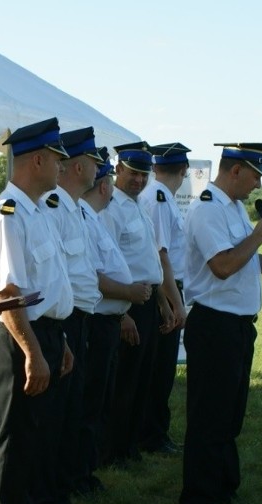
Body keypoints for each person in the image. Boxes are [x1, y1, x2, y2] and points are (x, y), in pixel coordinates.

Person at [179, 142, 262, 504]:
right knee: (209, 415)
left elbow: (244, 262)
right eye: (255, 176)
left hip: (236, 326)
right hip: (214, 325)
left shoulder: (232, 209)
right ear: (235, 171)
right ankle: (200, 498)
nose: (259, 186)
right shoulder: (206, 209)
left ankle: (222, 487)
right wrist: (258, 236)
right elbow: (221, 265)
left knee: (230, 414)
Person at [0, 117, 74, 504]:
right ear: (37, 160)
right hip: (18, 336)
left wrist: (60, 341)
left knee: (39, 430)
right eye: (56, 160)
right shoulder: (7, 215)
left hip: (45, 332)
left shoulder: (36, 211)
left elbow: (49, 286)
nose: (60, 169)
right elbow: (8, 294)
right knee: (15, 433)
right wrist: (33, 353)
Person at [34, 126, 102, 504]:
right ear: (77, 166)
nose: (99, 168)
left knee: (71, 411)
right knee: (53, 416)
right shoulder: (54, 206)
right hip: (61, 318)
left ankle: (61, 486)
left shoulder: (74, 207)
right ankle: (48, 493)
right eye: (93, 161)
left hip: (77, 319)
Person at [77, 147, 149, 493]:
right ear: (105, 185)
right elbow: (94, 276)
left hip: (110, 317)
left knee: (100, 400)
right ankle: (80, 473)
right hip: (98, 319)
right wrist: (127, 298)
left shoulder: (91, 217)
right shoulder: (88, 217)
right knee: (90, 403)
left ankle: (86, 469)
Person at [99, 141, 174, 466]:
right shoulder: (110, 209)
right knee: (124, 383)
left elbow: (148, 260)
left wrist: (163, 300)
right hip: (125, 304)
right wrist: (123, 315)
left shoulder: (140, 205)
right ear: (118, 170)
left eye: (144, 175)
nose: (139, 181)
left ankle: (130, 445)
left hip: (146, 300)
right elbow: (109, 265)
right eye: (133, 174)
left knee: (142, 378)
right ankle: (114, 450)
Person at [137, 143, 191, 455]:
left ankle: (155, 433)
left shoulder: (161, 197)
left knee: (161, 368)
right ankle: (152, 436)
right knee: (159, 370)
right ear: (184, 171)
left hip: (166, 289)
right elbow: (161, 256)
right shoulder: (159, 199)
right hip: (165, 291)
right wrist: (175, 302)